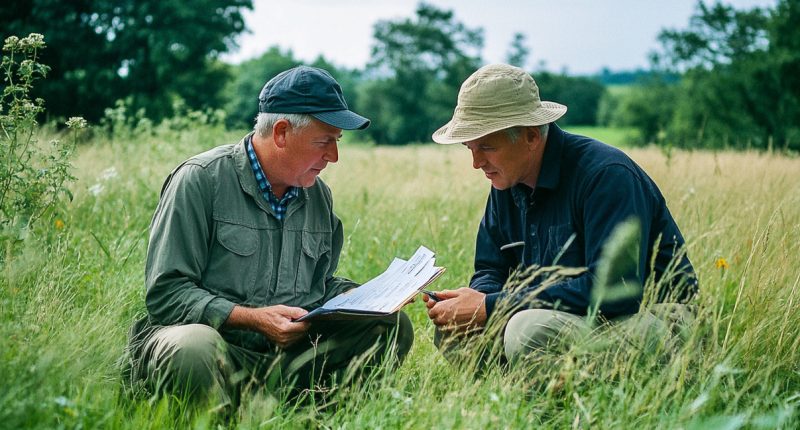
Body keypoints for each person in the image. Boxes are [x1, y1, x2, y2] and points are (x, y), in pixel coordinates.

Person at [122, 66, 413, 408]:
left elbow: (319, 286)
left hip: (285, 358)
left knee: (390, 325)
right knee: (193, 347)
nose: (334, 156)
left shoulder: (318, 195)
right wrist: (250, 319)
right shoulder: (200, 180)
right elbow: (166, 295)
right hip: (215, 350)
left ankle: (317, 415)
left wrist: (368, 298)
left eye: (337, 141)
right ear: (280, 132)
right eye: (325, 141)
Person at [424, 64, 697, 365]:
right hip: (565, 317)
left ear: (530, 137)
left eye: (487, 147)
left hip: (652, 318)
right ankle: (510, 402)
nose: (477, 163)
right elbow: (491, 268)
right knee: (454, 329)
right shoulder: (506, 181)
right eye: (469, 147)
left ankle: (561, 409)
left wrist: (492, 306)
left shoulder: (606, 176)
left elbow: (616, 290)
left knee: (526, 330)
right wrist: (473, 302)